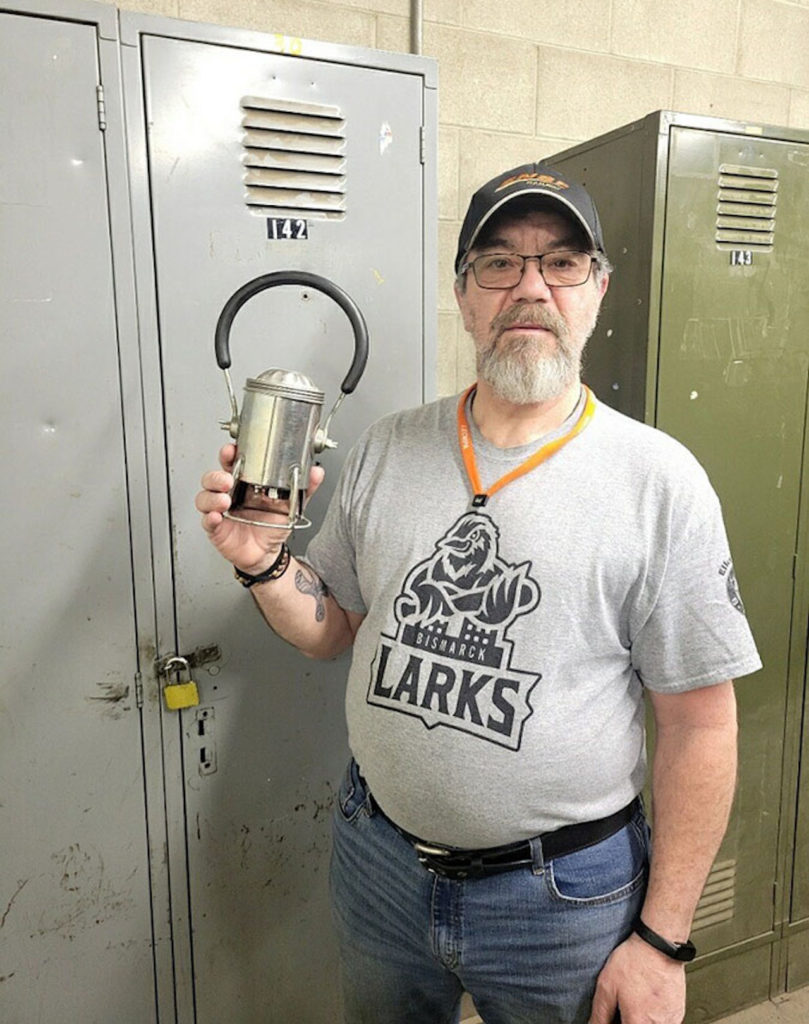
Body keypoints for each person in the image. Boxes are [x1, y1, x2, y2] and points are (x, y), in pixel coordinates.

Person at [196, 161, 762, 1024]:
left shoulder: (658, 482)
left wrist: (660, 941)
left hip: (562, 901)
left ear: (597, 290)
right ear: (463, 295)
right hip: (378, 863)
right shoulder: (389, 448)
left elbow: (700, 724)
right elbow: (332, 629)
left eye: (561, 263)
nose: (529, 287)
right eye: (498, 263)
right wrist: (263, 561)